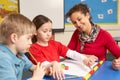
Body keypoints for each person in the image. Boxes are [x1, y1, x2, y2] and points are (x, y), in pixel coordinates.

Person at [29, 15, 98, 80]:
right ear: (35, 32)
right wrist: (54, 63)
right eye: (45, 31)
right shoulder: (33, 48)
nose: (48, 34)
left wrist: (84, 59)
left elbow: (70, 53)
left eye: (50, 30)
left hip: (57, 76)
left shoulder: (54, 44)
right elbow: (43, 64)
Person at [65, 3, 120, 70]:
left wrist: (117, 64)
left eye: (79, 19)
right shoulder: (76, 33)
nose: (78, 24)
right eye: (74, 22)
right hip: (79, 69)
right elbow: (66, 53)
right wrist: (84, 57)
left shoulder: (104, 35)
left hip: (98, 71)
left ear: (87, 15)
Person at [0, 13, 45, 80]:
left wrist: (46, 69)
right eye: (28, 38)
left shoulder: (19, 54)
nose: (31, 42)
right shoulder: (3, 59)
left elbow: (32, 67)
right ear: (14, 38)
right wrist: (36, 78)